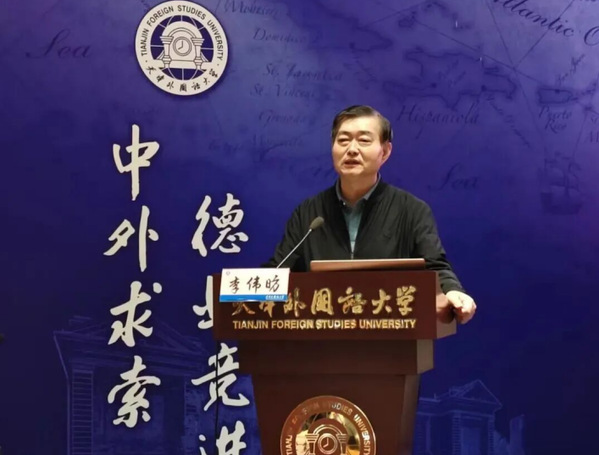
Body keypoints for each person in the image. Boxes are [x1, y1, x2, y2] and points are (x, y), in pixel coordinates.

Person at [265, 105, 476, 324]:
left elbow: (435, 268)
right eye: (343, 140)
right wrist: (248, 290)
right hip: (320, 335)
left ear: (385, 152)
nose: (352, 149)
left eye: (364, 140)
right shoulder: (309, 213)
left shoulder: (412, 210)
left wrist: (452, 291)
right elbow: (279, 270)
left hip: (392, 334)